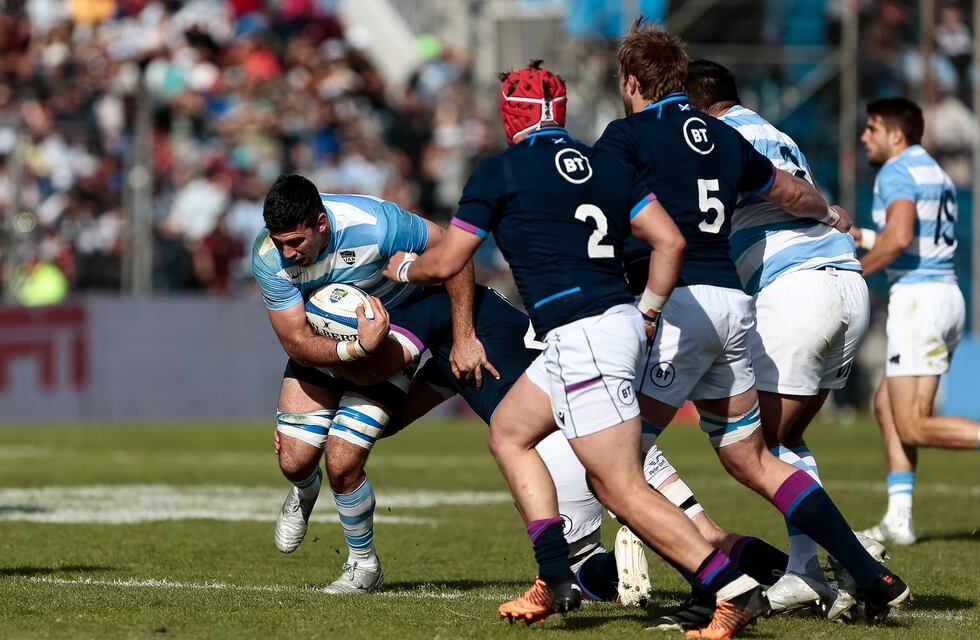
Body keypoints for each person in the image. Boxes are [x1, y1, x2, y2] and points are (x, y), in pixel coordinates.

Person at [386, 60, 773, 640]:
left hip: (583, 334)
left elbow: (447, 262)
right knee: (509, 432)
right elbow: (669, 241)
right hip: (603, 325)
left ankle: (731, 588)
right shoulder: (605, 161)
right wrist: (647, 312)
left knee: (619, 487)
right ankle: (554, 576)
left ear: (509, 114)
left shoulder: (501, 169)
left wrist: (403, 268)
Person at [594, 20, 909, 628]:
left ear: (631, 81)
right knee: (755, 456)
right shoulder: (722, 133)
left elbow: (605, 211)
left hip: (687, 305)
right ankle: (867, 573)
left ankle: (715, 588)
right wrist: (831, 213)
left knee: (618, 464)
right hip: (736, 308)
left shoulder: (628, 134)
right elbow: (790, 191)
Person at [682, 59, 872, 616]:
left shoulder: (717, 136)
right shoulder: (774, 131)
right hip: (847, 282)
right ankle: (821, 563)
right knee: (786, 439)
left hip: (796, 289)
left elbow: (785, 196)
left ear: (695, 105)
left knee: (758, 448)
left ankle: (835, 561)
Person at [251, 175, 496, 594]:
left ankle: (364, 565)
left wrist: (463, 335)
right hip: (323, 343)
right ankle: (305, 489)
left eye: (296, 242)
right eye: (281, 243)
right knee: (294, 461)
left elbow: (452, 250)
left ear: (321, 223)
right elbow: (296, 342)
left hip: (392, 333)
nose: (288, 253)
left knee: (342, 462)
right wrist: (354, 348)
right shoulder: (268, 255)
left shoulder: (377, 224)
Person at [850, 97, 979, 545]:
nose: (864, 137)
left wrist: (852, 272)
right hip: (944, 295)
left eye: (872, 128)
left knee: (911, 424)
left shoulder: (896, 171)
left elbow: (901, 238)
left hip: (919, 302)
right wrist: (866, 237)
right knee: (887, 404)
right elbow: (915, 238)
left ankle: (900, 519)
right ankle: (899, 519)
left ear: (896, 135)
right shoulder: (935, 172)